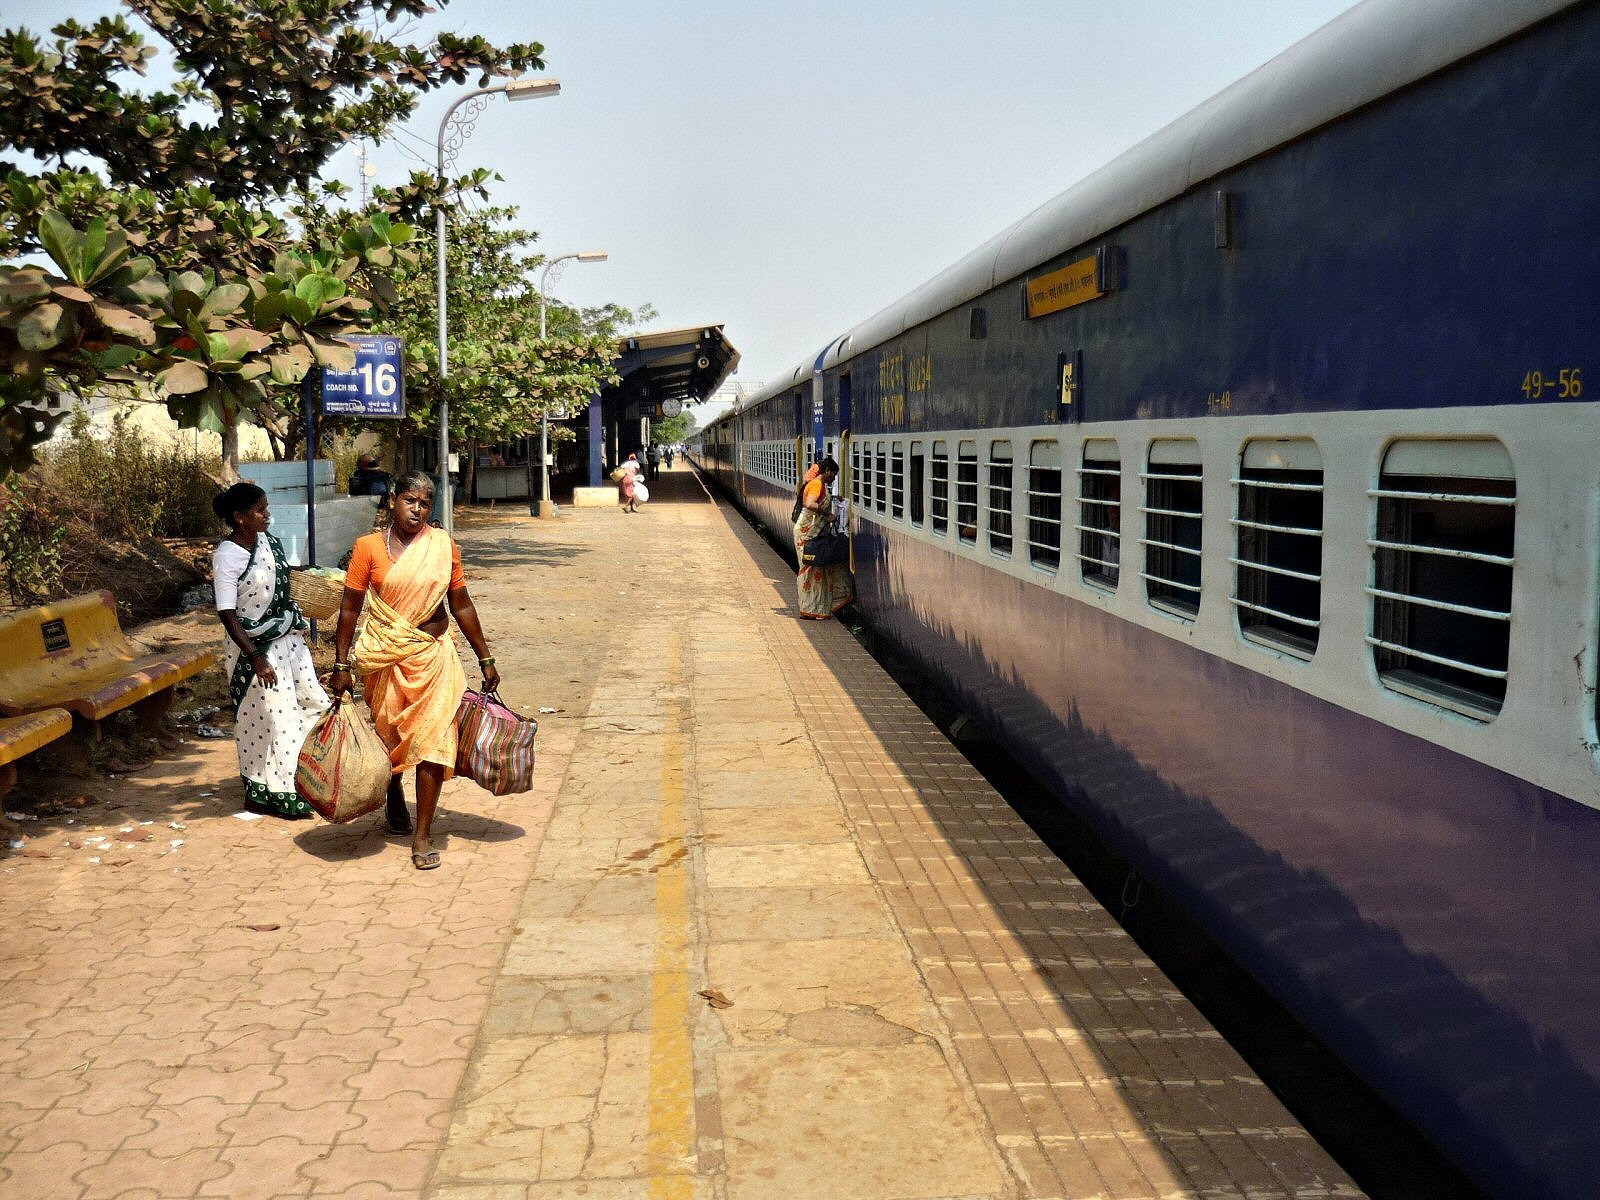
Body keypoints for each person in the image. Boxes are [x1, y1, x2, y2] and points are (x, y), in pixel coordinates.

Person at [328, 470, 500, 870]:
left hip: (434, 656)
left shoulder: (444, 546)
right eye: (410, 501)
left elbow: (462, 604)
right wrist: (341, 665)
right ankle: (392, 792)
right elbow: (350, 609)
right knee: (391, 736)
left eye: (425, 503)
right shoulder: (368, 548)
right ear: (393, 500)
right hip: (386, 658)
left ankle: (423, 835)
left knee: (434, 743)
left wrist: (485, 657)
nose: (418, 510)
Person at [211, 482, 330, 819]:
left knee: (313, 704)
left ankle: (304, 779)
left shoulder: (269, 543)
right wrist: (255, 657)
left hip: (287, 642)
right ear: (239, 517)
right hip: (252, 650)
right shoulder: (228, 555)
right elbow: (227, 613)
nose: (267, 514)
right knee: (273, 719)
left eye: (266, 507)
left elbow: (285, 580)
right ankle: (273, 792)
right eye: (259, 510)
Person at [794, 456, 852, 620]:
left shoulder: (817, 484)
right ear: (827, 471)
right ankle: (811, 609)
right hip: (807, 533)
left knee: (818, 568)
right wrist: (828, 514)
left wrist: (834, 499)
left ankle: (816, 608)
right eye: (833, 474)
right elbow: (811, 504)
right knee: (811, 567)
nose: (833, 478)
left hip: (811, 531)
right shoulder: (817, 484)